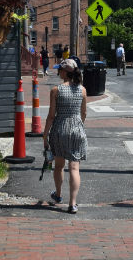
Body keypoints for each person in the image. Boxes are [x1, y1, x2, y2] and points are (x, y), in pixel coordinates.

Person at [43, 57, 87, 214]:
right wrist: (77, 125)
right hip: (77, 130)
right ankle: (73, 203)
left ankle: (58, 194)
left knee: (59, 166)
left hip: (60, 130)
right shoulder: (82, 90)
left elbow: (51, 116)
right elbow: (83, 113)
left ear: (65, 72)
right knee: (74, 168)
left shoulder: (56, 90)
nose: (58, 72)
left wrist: (45, 134)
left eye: (59, 69)